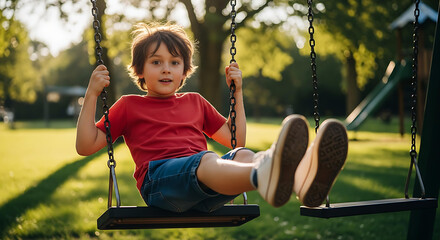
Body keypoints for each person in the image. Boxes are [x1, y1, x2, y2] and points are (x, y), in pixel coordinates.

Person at [76, 22, 348, 213]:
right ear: (140, 70)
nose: (166, 69)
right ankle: (266, 171)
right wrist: (91, 94)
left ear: (184, 71)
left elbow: (234, 139)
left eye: (174, 62)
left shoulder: (195, 102)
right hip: (160, 186)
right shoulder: (128, 106)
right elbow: (86, 146)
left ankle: (302, 181)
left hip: (207, 189)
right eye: (156, 62)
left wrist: (237, 93)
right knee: (207, 159)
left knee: (242, 154)